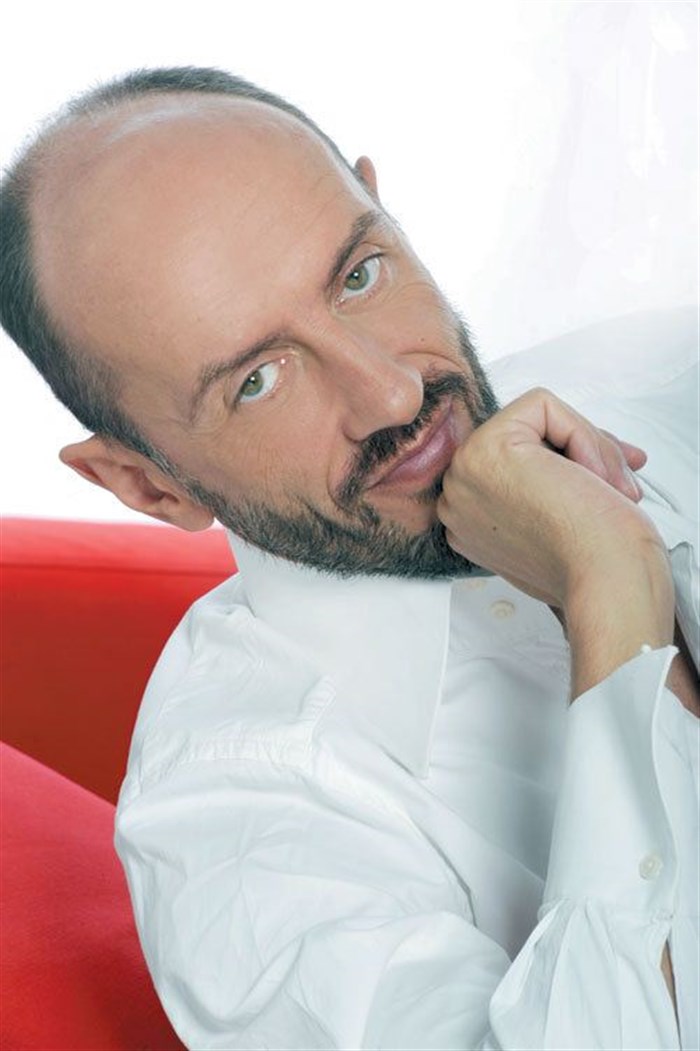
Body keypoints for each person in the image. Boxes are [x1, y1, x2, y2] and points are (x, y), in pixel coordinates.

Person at [0, 67, 697, 1050]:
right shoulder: (242, 832)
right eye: (259, 379)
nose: (392, 395)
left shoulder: (653, 376)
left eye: (358, 276)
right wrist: (616, 591)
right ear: (148, 484)